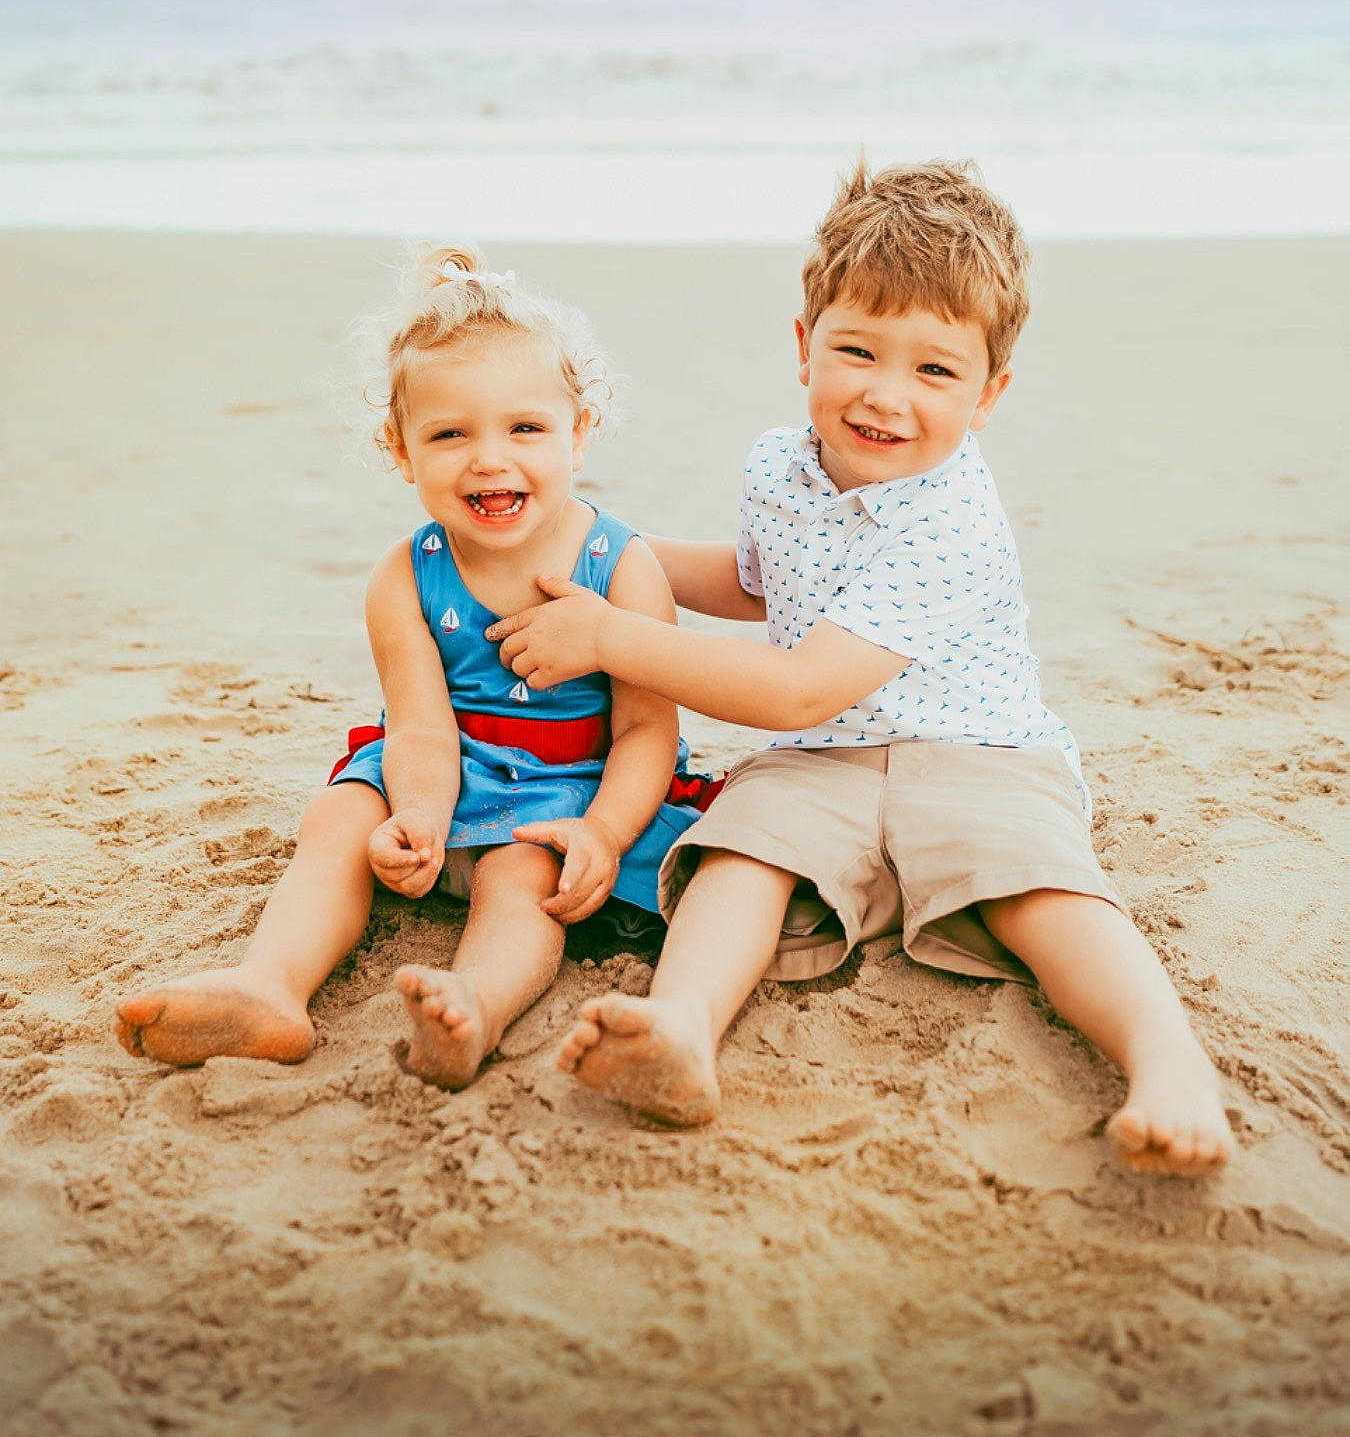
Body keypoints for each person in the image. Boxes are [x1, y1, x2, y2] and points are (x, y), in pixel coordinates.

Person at [489, 161, 1236, 1176]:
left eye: (935, 370)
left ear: (988, 394)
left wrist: (611, 636)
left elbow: (797, 682)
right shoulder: (777, 466)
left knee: (1043, 891)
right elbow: (759, 584)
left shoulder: (954, 522)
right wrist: (605, 552)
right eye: (857, 350)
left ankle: (1167, 1063)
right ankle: (680, 1028)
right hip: (823, 761)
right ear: (804, 347)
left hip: (977, 753)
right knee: (738, 853)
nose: (887, 395)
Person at [115, 248, 708, 1089]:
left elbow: (650, 727)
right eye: (450, 434)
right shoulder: (406, 573)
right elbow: (421, 722)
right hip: (441, 765)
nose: (490, 459)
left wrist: (602, 833)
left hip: (565, 787)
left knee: (519, 875)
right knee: (337, 819)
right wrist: (421, 818)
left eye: (525, 428)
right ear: (401, 449)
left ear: (579, 430)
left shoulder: (622, 563)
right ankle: (270, 986)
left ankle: (473, 1007)